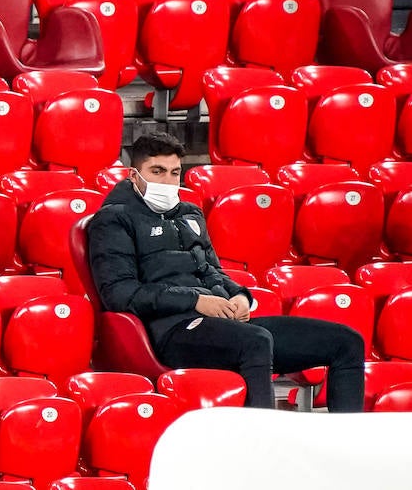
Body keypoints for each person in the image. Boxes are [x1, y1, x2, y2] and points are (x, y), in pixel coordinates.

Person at [88, 132, 366, 412]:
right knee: (255, 341)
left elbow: (212, 272)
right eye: (157, 172)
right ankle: (262, 446)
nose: (168, 181)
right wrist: (196, 301)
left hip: (222, 326)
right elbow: (119, 293)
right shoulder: (113, 219)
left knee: (346, 341)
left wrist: (240, 296)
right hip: (170, 332)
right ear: (134, 175)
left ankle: (346, 446)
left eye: (174, 173)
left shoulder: (189, 213)